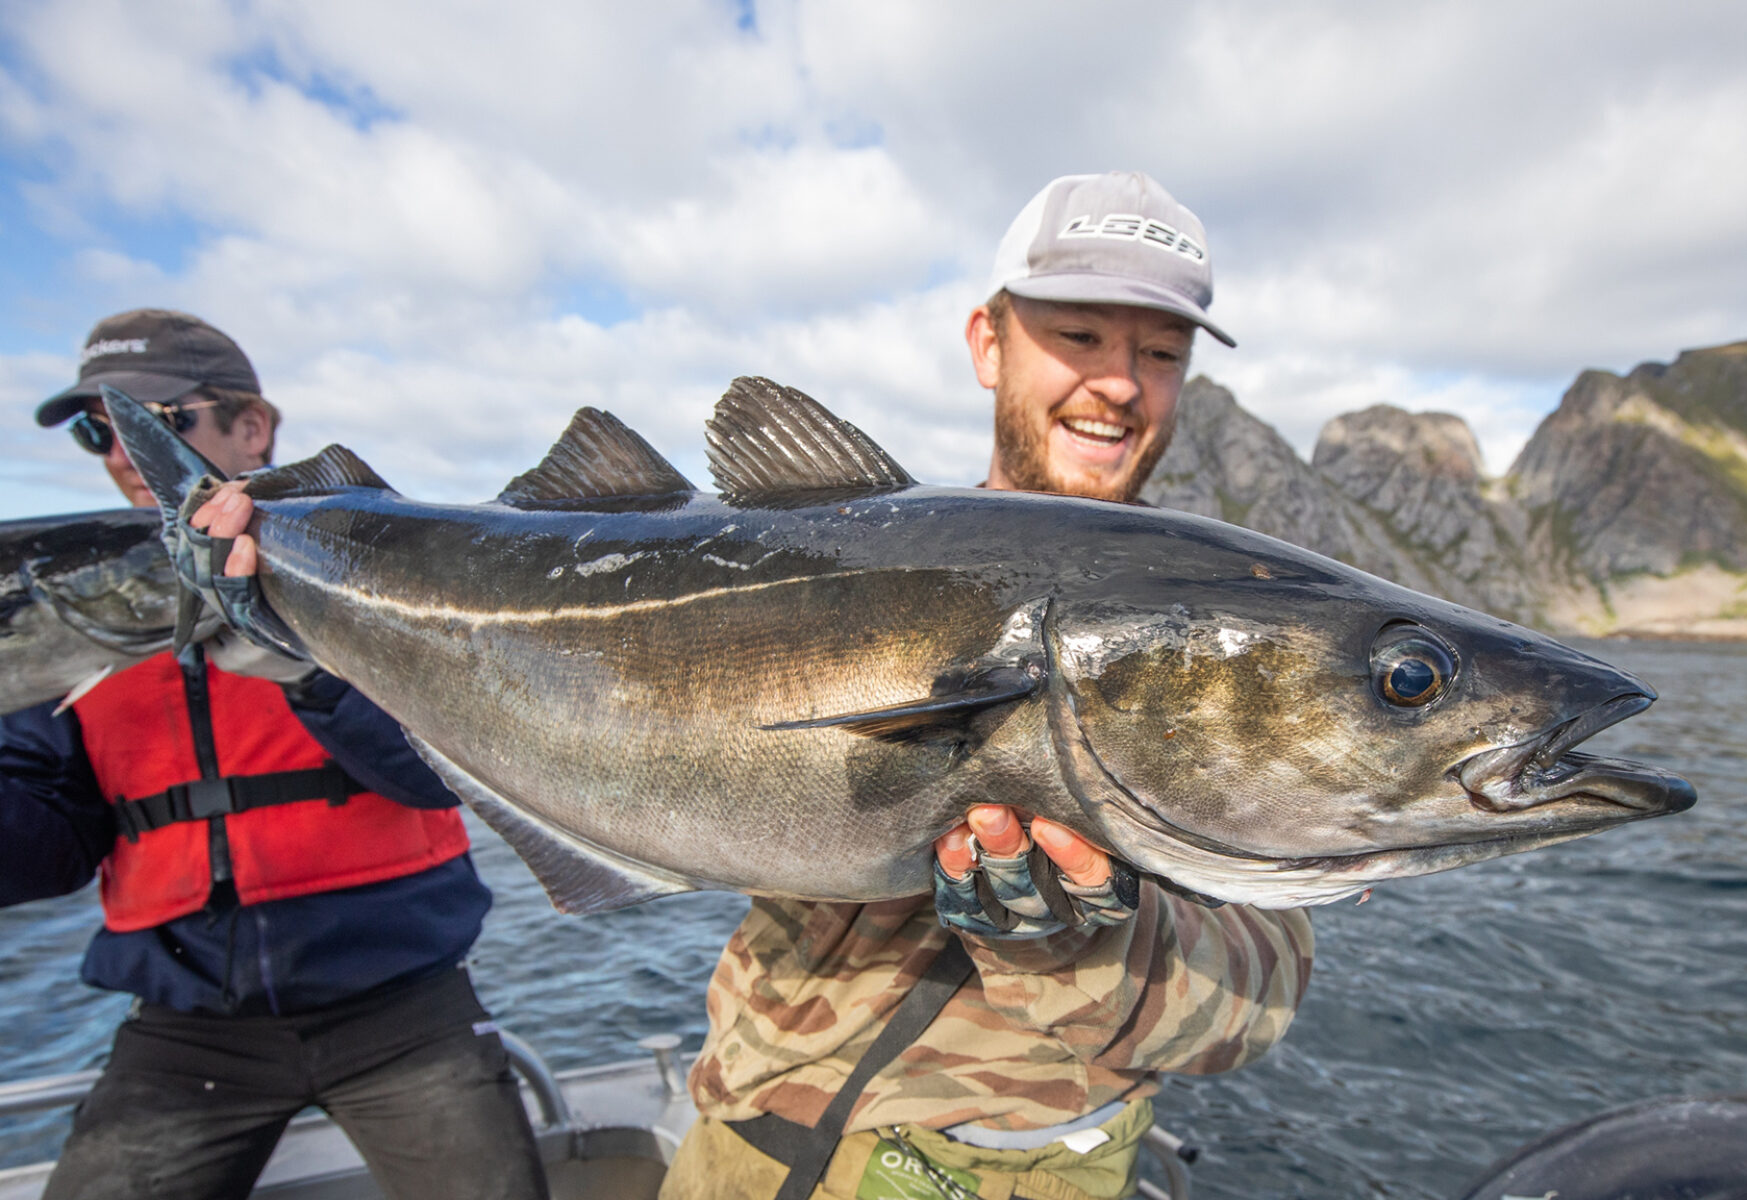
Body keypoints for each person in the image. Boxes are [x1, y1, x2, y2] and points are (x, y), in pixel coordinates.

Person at [653, 172, 1313, 1200]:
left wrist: (1076, 943)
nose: (1121, 385)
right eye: (1079, 337)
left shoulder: (1241, 638)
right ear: (986, 343)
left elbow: (1254, 1001)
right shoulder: (829, 555)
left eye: (1159, 353)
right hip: (741, 1143)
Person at [0, 309, 549, 1200]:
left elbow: (447, 771)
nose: (121, 454)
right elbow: (46, 848)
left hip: (404, 1007)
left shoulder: (386, 565)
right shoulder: (68, 614)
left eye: (158, 424)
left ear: (250, 426)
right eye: (102, 431)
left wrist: (304, 670)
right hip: (187, 1028)